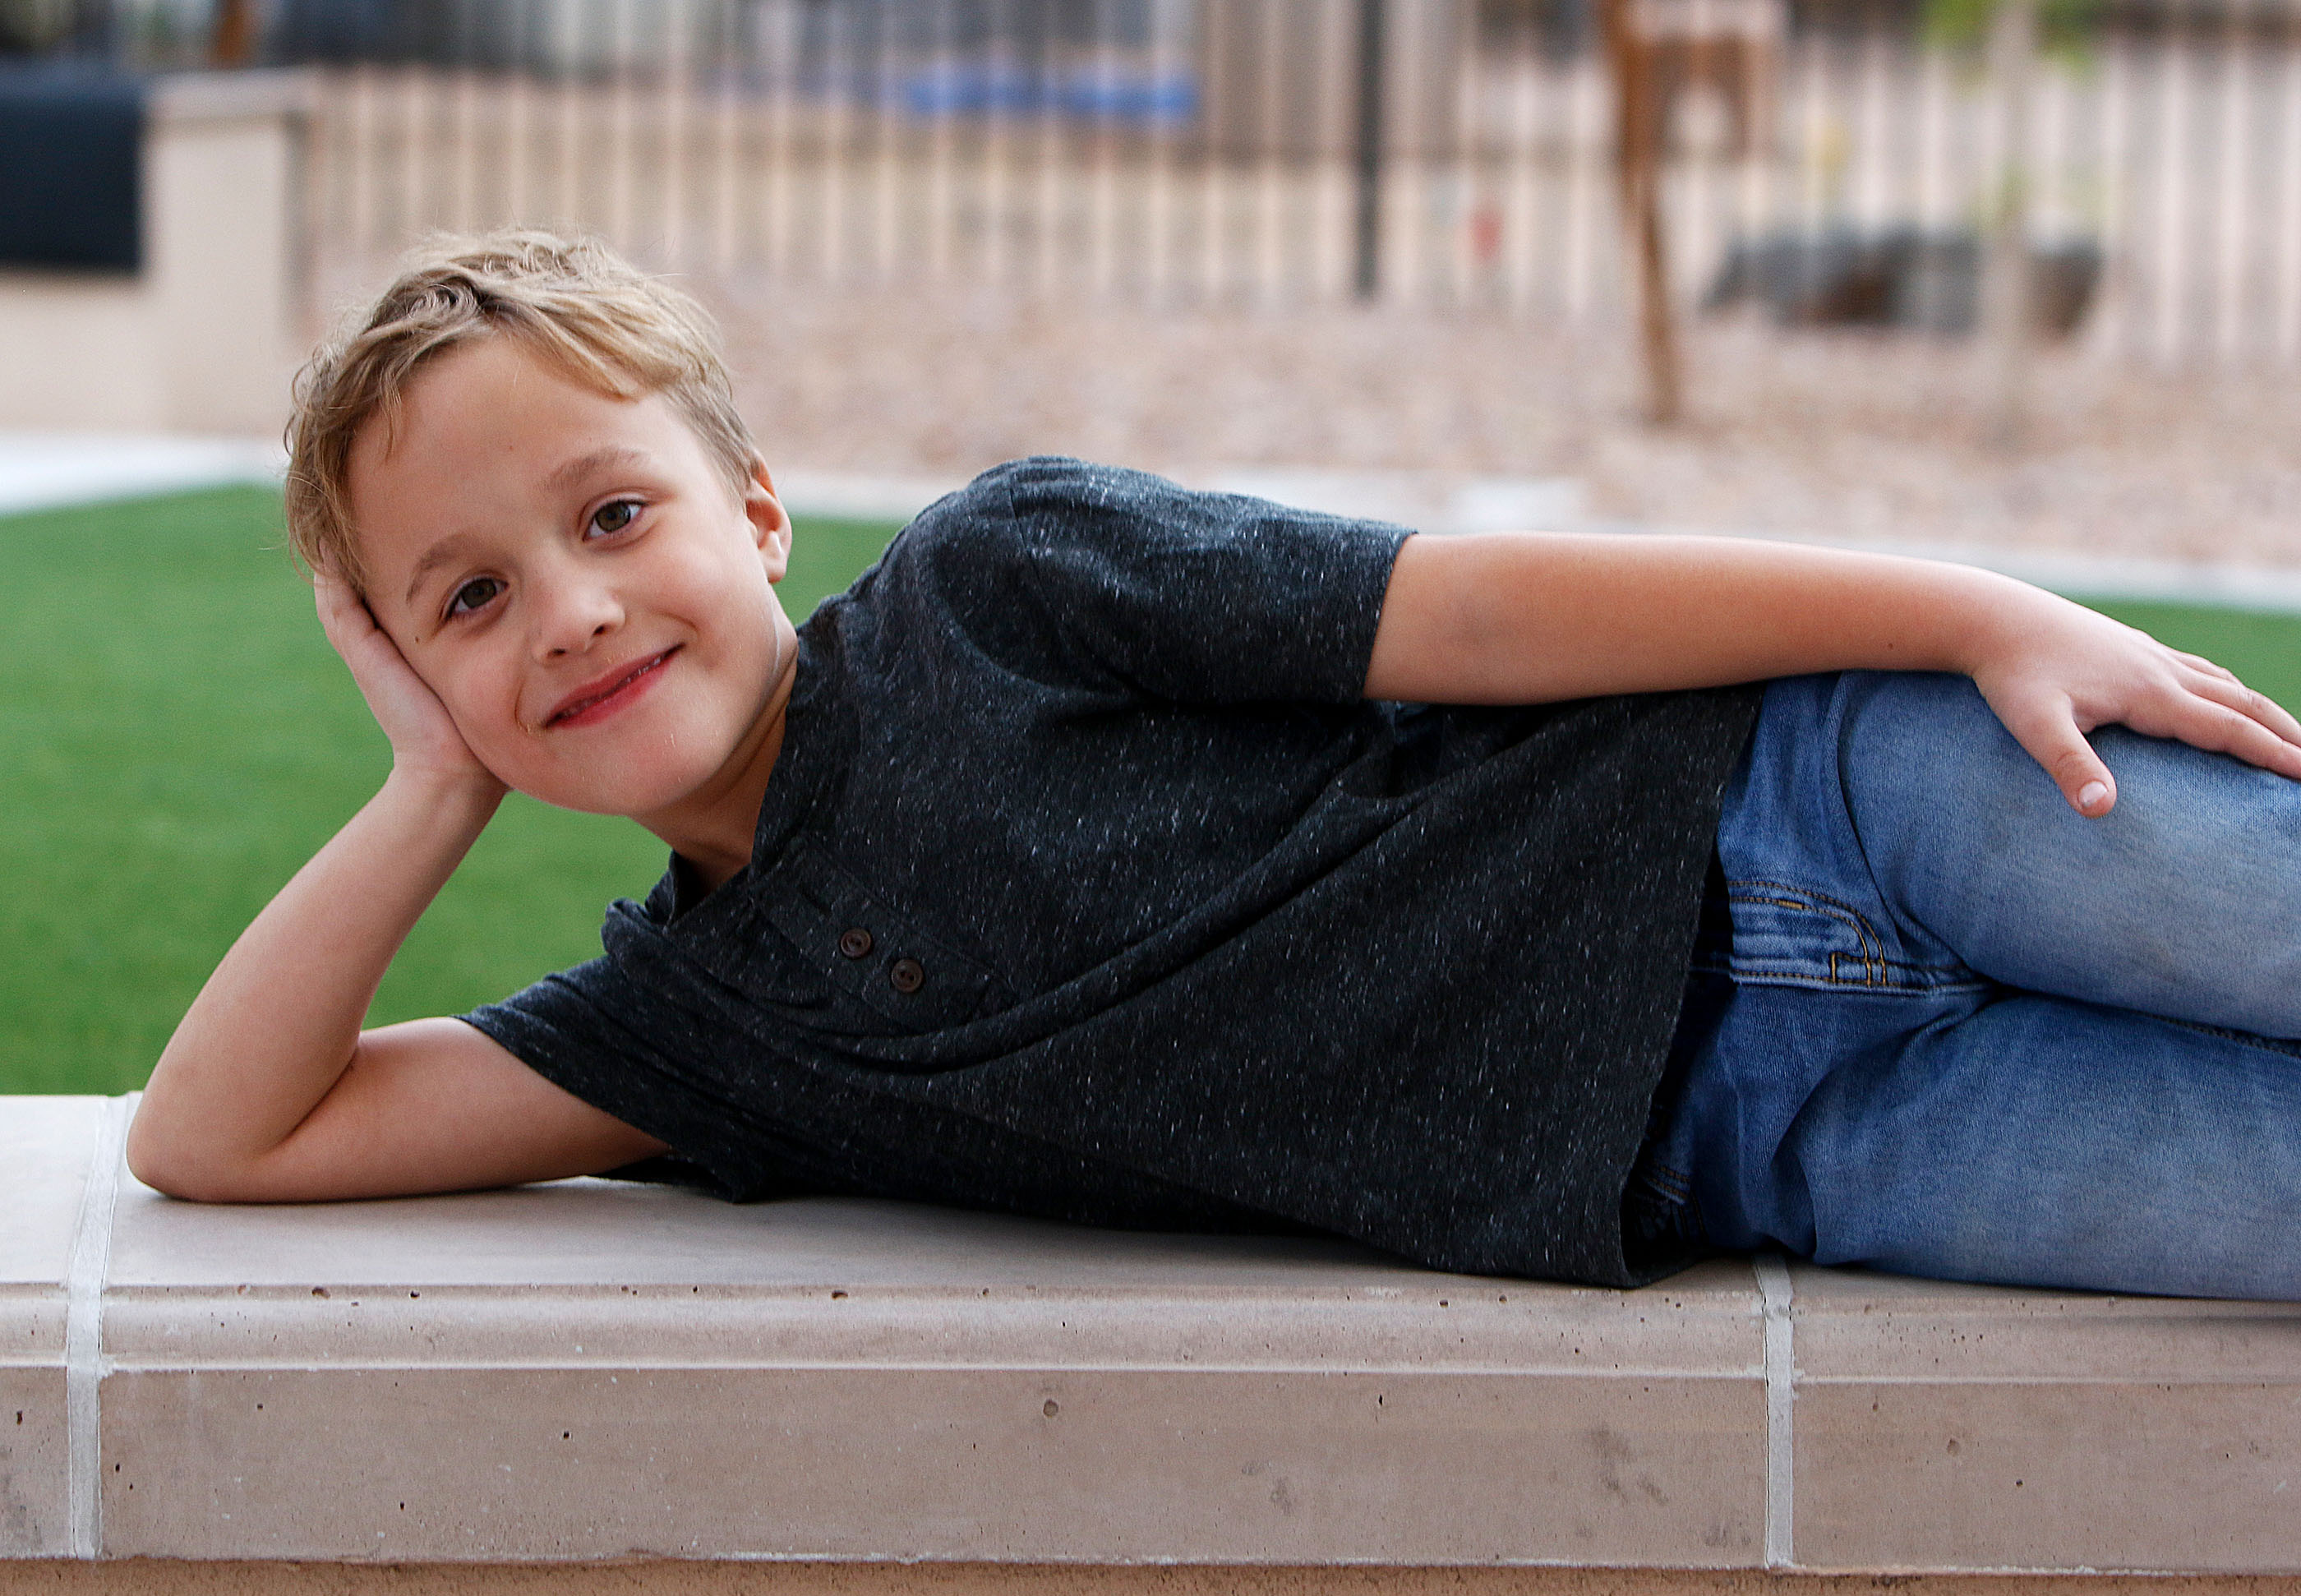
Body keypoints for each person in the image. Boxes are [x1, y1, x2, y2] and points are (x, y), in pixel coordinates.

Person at [126, 230, 2301, 1300]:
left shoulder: (1002, 576)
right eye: (469, 601)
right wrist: (431, 789)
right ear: (406, 664)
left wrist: (1961, 607)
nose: (574, 610)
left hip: (1817, 798)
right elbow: (218, 1139)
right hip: (1788, 1147)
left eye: (612, 517)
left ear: (758, 509)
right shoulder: (702, 1029)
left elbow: (1481, 610)